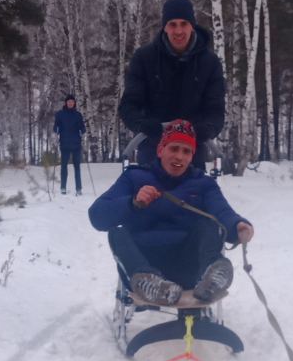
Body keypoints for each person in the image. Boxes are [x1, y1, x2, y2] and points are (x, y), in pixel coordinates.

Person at [89, 119, 254, 307]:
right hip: (143, 263)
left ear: (192, 156)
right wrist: (132, 202)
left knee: (209, 224)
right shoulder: (134, 177)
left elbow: (222, 211)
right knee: (117, 231)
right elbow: (97, 216)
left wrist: (238, 226)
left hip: (189, 266)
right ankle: (150, 283)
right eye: (174, 149)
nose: (179, 157)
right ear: (160, 150)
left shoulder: (203, 184)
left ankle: (214, 276)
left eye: (186, 151)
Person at [119, 0, 226, 171]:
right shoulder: (144, 59)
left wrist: (203, 130)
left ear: (192, 26)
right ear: (165, 27)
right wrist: (144, 125)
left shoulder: (210, 63)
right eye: (172, 24)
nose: (178, 31)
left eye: (183, 24)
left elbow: (215, 111)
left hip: (191, 152)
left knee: (194, 196)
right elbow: (129, 105)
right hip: (152, 150)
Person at [53, 94, 86, 194]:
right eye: (68, 101)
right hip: (64, 144)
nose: (70, 103)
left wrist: (82, 131)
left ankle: (79, 189)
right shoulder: (60, 114)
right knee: (64, 167)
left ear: (74, 103)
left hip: (76, 144)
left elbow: (83, 127)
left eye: (72, 101)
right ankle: (63, 188)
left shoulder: (78, 115)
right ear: (66, 103)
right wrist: (56, 130)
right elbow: (55, 126)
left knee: (77, 167)